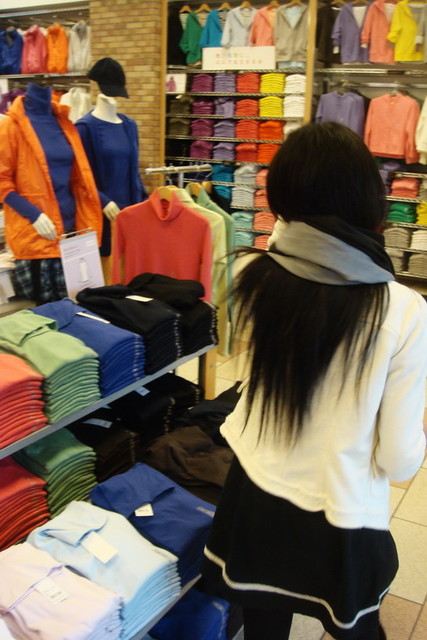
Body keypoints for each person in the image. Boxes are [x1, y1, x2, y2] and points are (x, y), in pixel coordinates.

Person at [201, 122, 427, 640]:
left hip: (254, 493)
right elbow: (399, 460)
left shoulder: (257, 277)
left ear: (282, 197)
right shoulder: (403, 310)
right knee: (357, 629)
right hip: (339, 512)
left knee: (262, 624)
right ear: (367, 197)